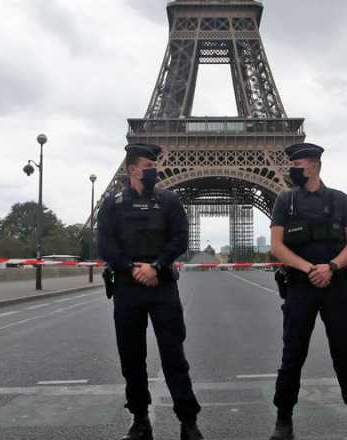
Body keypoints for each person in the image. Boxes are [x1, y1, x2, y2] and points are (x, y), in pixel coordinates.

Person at [268, 142, 347, 440]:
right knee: (292, 354)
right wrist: (310, 269)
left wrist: (330, 267)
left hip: (335, 286)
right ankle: (284, 422)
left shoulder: (340, 200)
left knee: (344, 353)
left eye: (298, 164)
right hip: (300, 286)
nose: (293, 169)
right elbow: (277, 246)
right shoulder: (285, 201)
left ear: (315, 166)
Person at [97, 143, 203, 440]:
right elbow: (105, 245)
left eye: (154, 165)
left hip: (162, 285)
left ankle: (188, 420)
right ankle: (140, 419)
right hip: (128, 287)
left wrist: (156, 266)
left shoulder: (169, 201)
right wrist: (133, 269)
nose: (153, 170)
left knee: (174, 355)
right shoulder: (112, 203)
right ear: (131, 170)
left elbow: (180, 238)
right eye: (148, 166)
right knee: (131, 356)